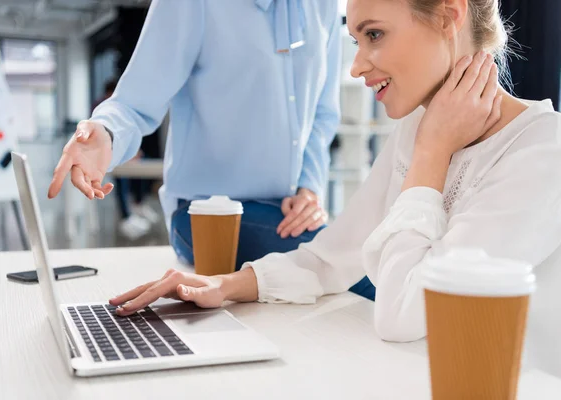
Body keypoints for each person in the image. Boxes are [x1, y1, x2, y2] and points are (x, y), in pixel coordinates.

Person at [109, 0, 561, 377]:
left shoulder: (543, 151)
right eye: (355, 41)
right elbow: (330, 258)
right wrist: (222, 285)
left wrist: (431, 153)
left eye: (375, 35)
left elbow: (403, 314)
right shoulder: (421, 129)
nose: (358, 65)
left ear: (447, 17)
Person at [46, 1, 379, 299]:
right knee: (358, 273)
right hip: (204, 217)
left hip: (286, 214)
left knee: (358, 266)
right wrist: (105, 132)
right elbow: (134, 102)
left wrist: (309, 186)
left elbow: (322, 114)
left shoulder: (321, 6)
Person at [92, 79, 158, 240]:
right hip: (108, 157)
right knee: (120, 177)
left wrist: (134, 151)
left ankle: (139, 203)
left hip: (123, 152)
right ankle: (126, 217)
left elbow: (129, 131)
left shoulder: (122, 110)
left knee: (142, 167)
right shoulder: (100, 110)